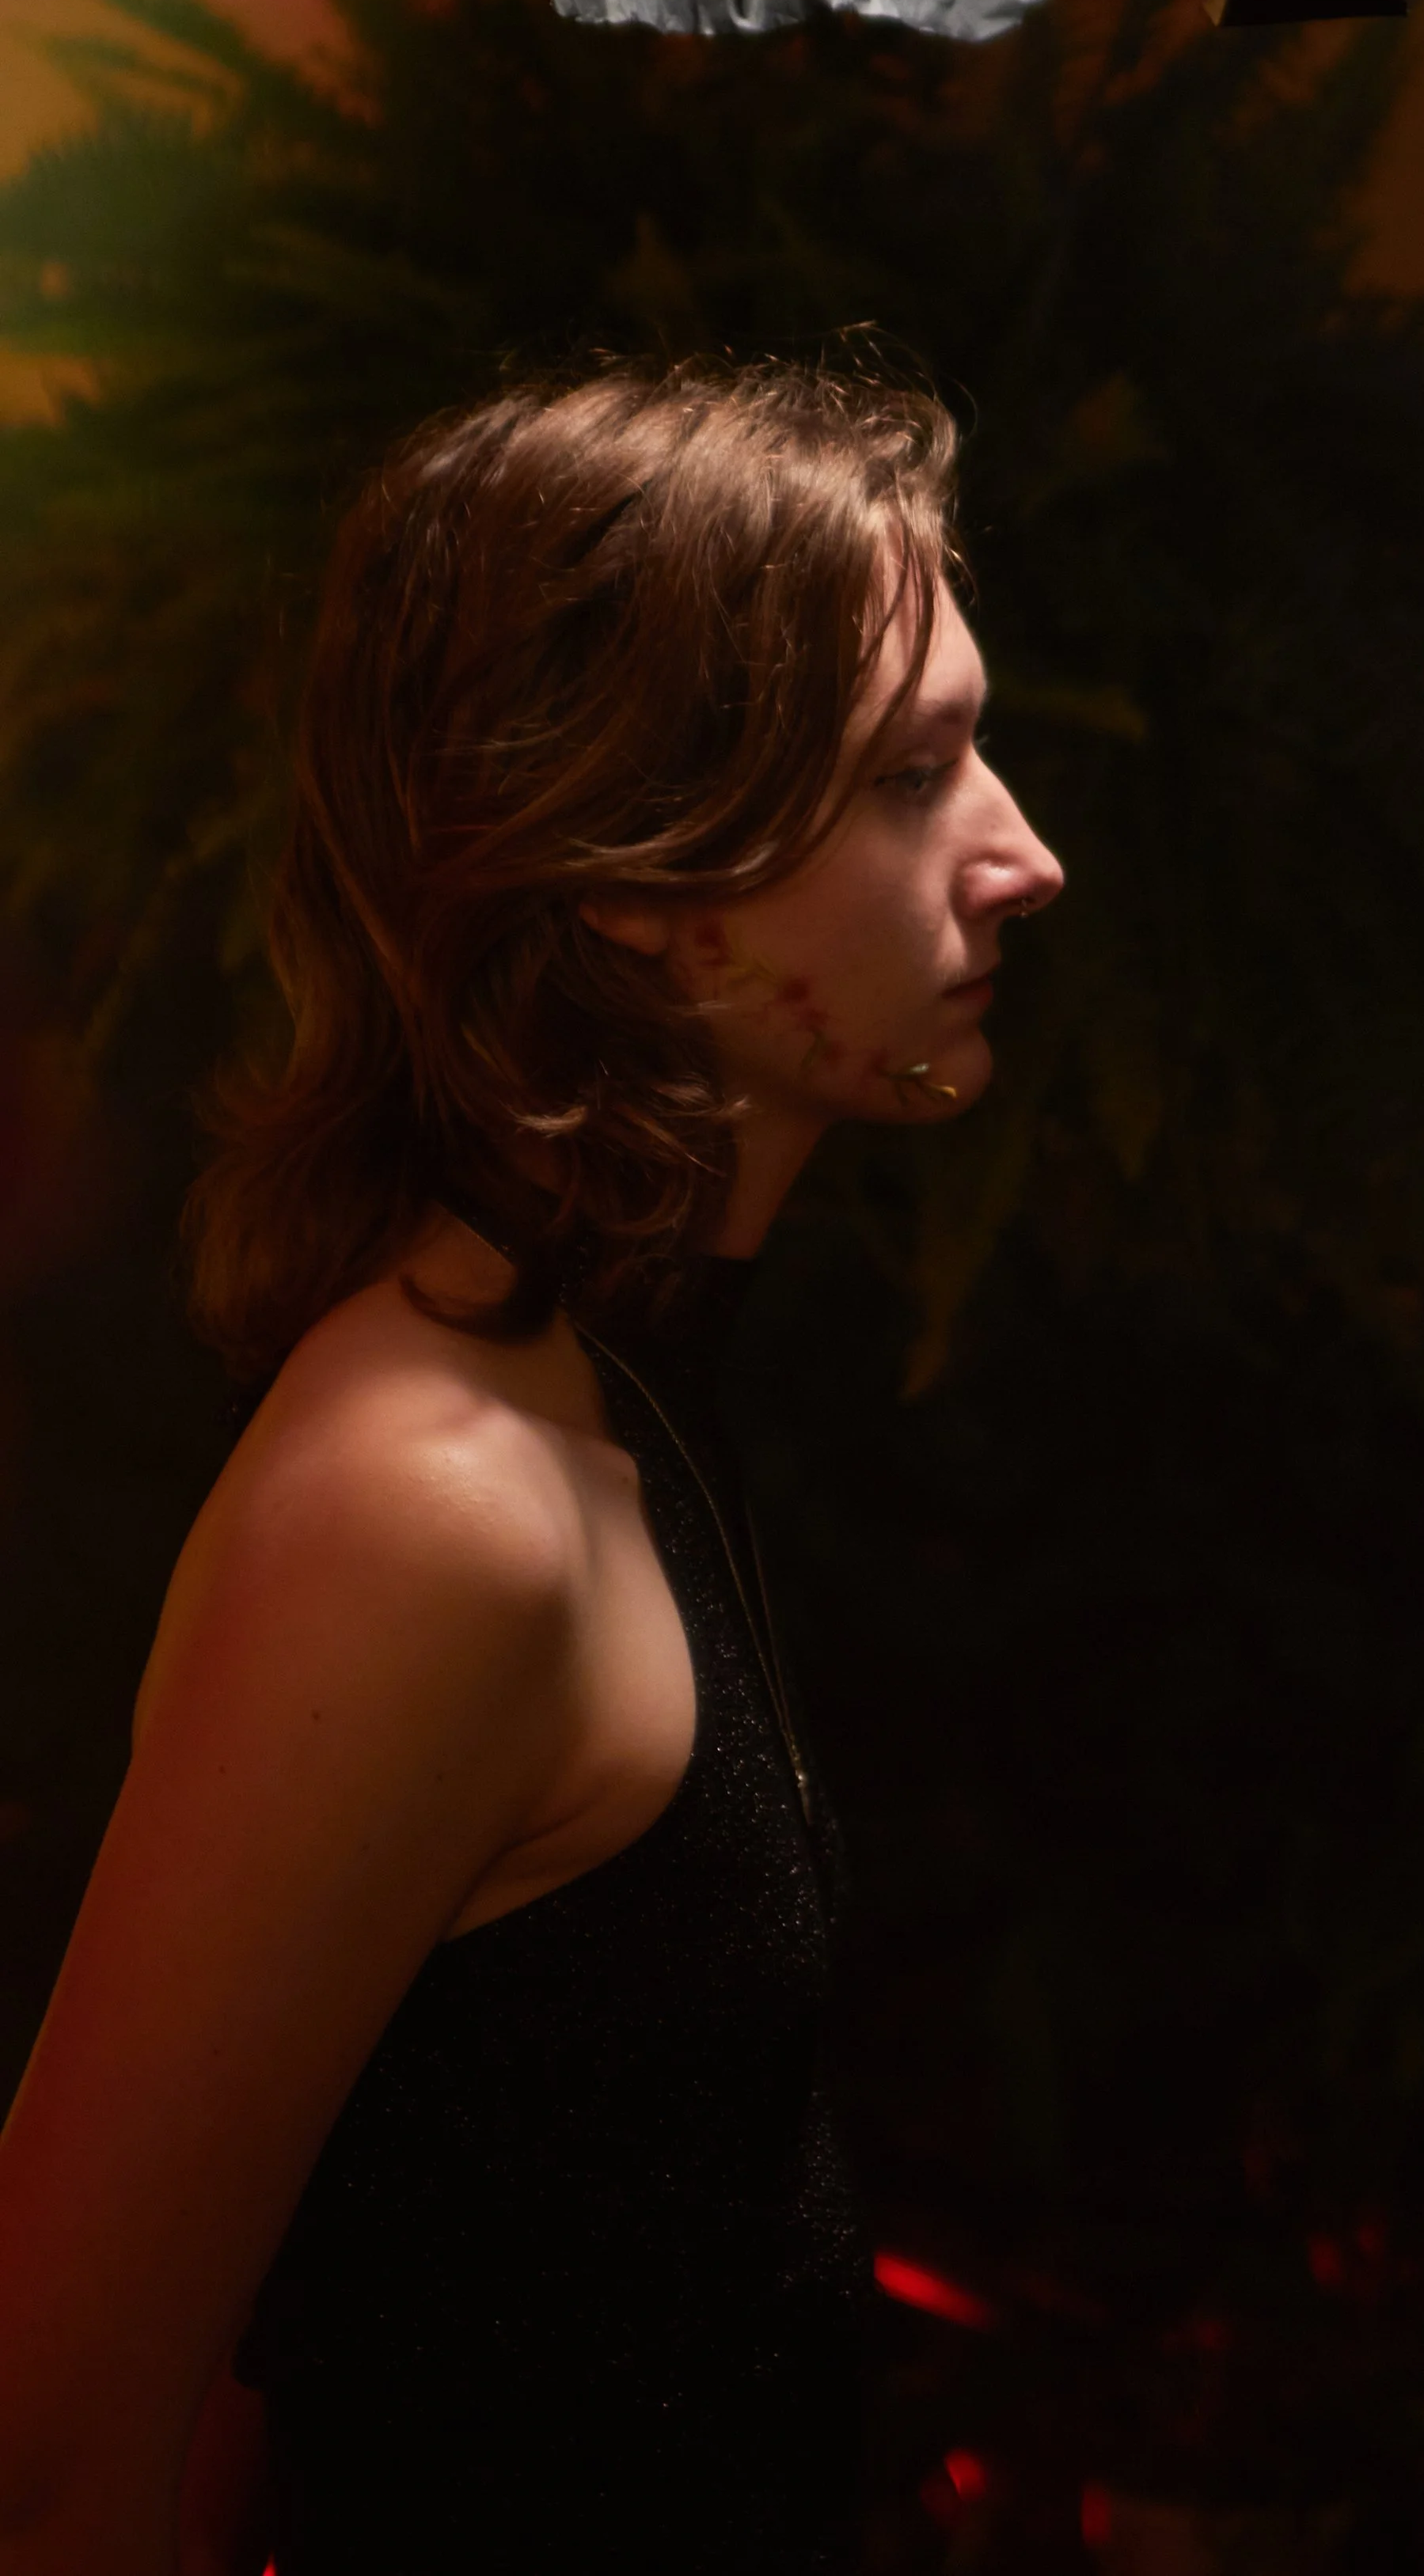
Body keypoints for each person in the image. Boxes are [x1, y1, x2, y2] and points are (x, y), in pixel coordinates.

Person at [0, 355, 1064, 2576]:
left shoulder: (615, 1380)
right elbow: (57, 2438)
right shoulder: (427, 1506)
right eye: (908, 776)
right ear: (628, 886)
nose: (1022, 853)